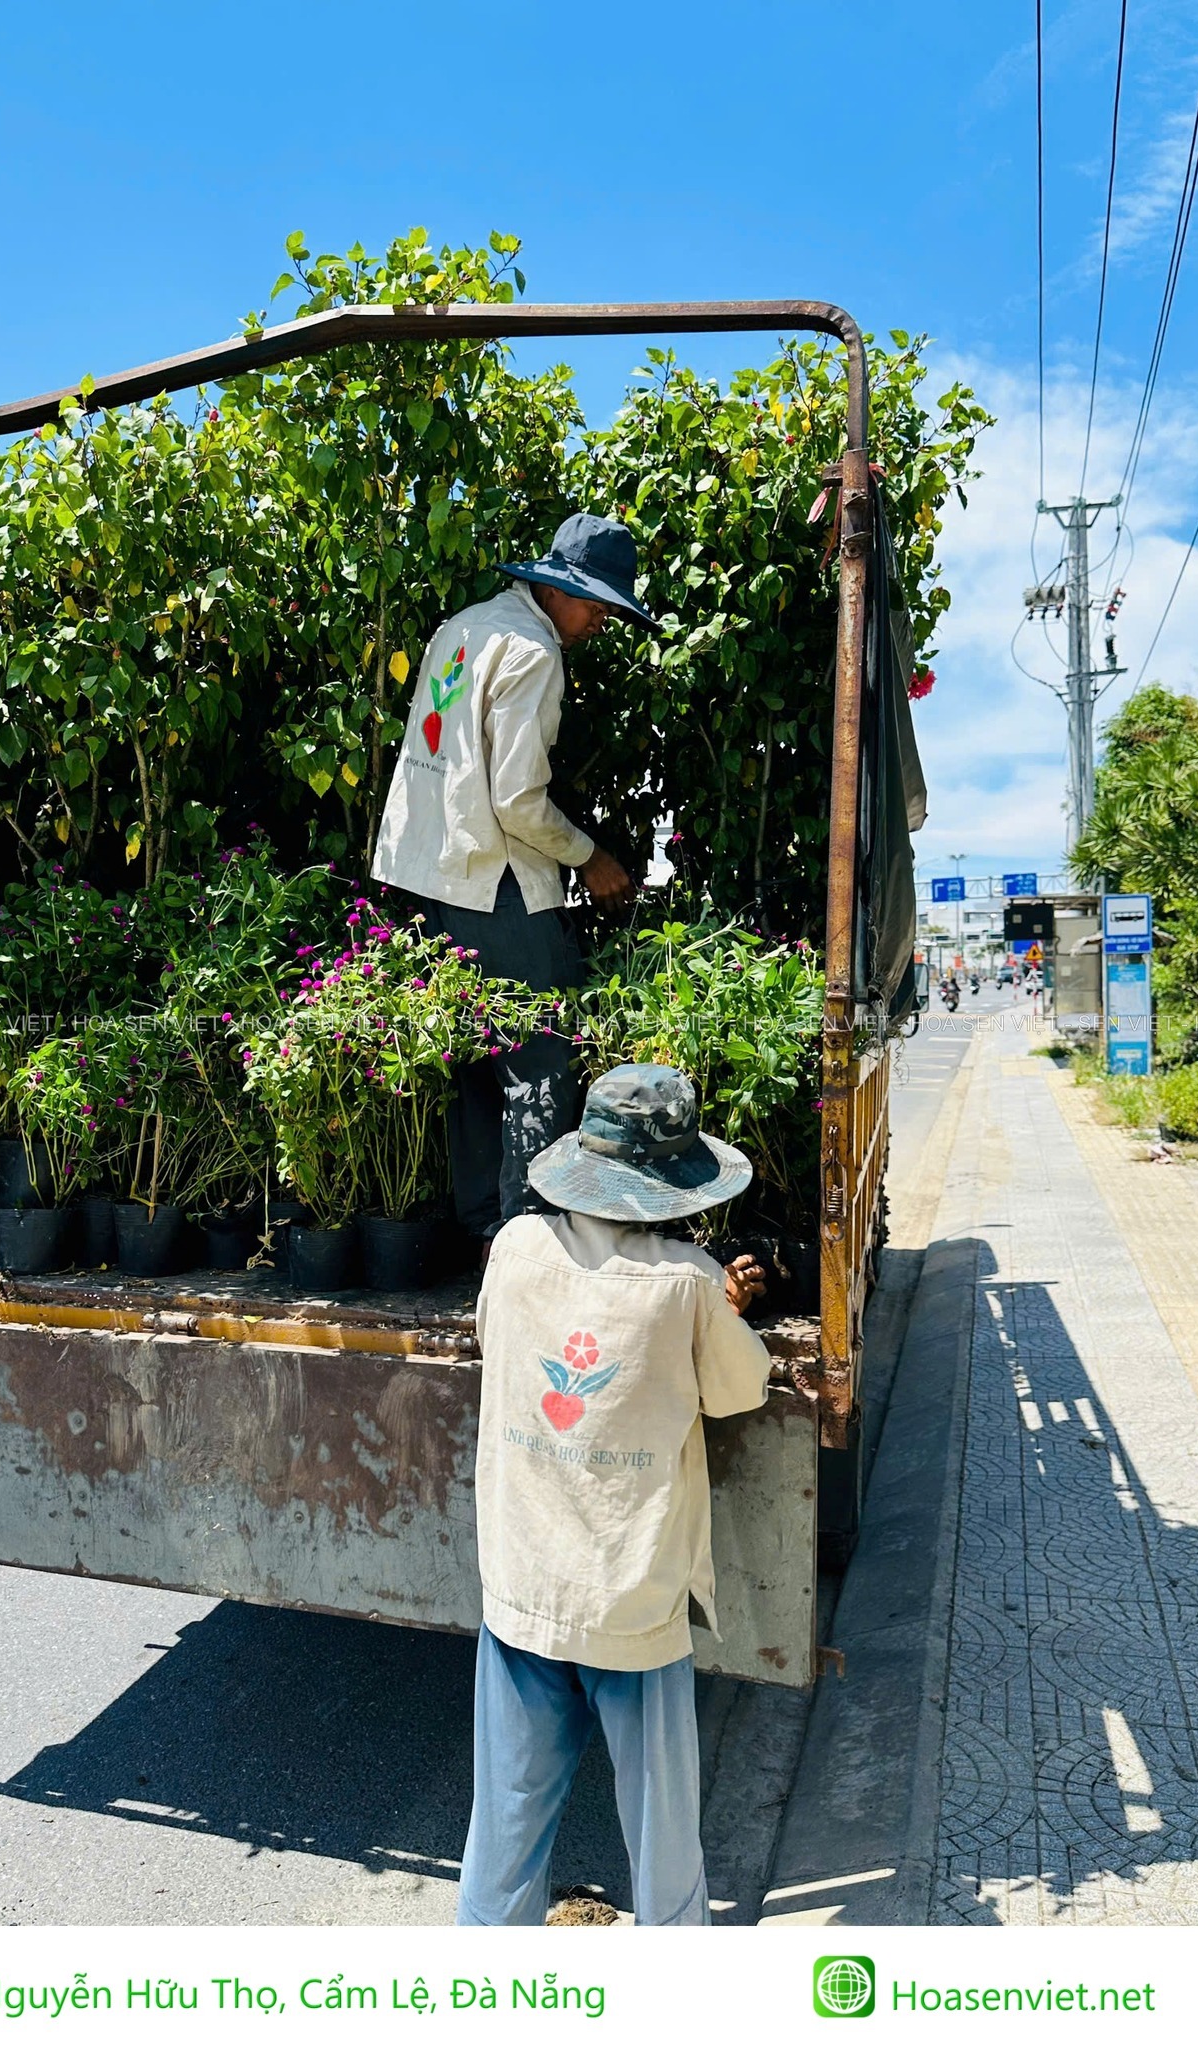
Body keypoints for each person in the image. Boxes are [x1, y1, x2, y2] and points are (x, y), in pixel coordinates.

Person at [456, 1065, 772, 1927]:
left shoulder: (516, 1248)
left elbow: (496, 1335)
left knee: (506, 1825)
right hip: (631, 1603)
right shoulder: (691, 1283)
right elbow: (741, 1388)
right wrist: (731, 1306)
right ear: (675, 1180)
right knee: (663, 1836)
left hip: (525, 1586)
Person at [371, 513, 652, 1247]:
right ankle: (525, 1241)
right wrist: (589, 856)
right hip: (491, 878)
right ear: (556, 590)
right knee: (540, 1051)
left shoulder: (464, 626)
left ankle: (481, 1234)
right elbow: (517, 800)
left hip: (431, 876)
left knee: (474, 1060)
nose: (598, 620)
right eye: (593, 603)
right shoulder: (534, 652)